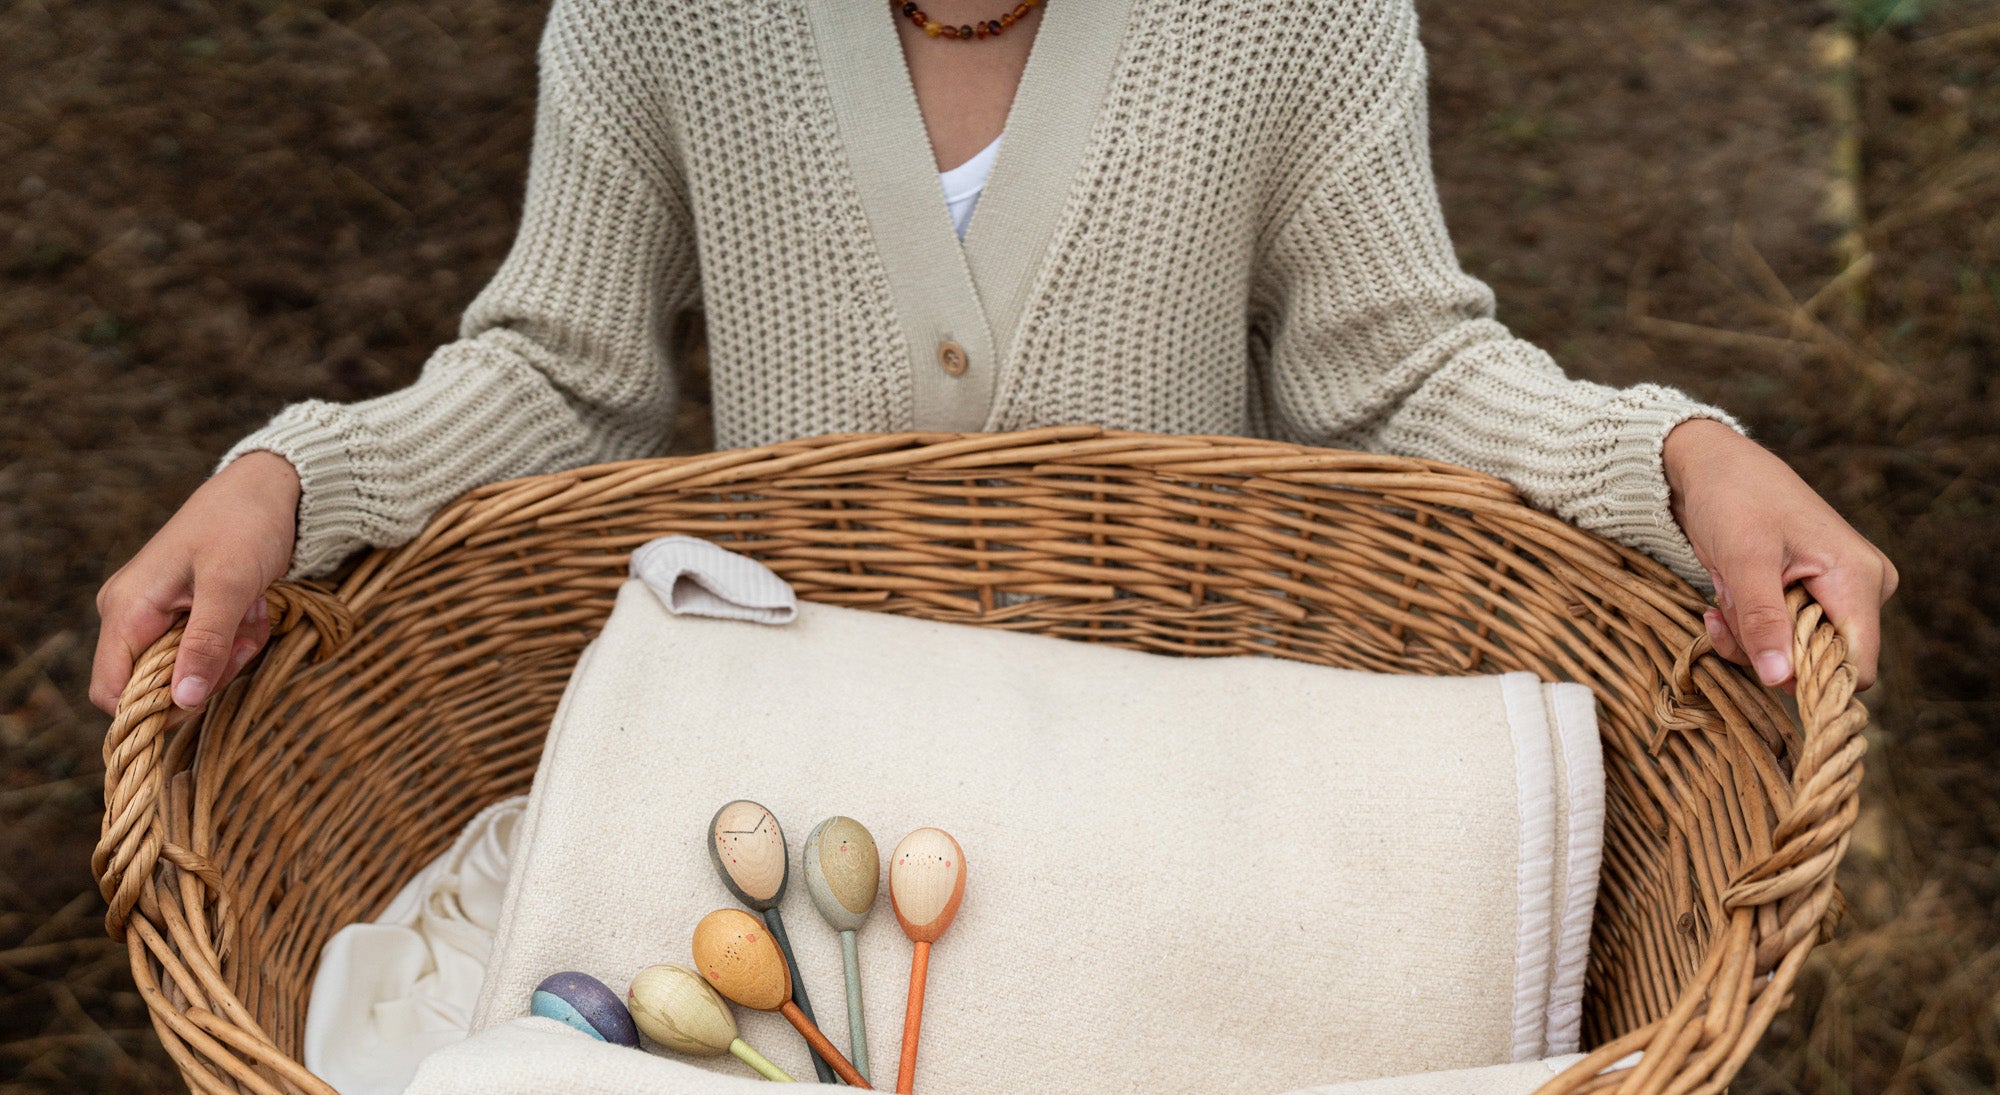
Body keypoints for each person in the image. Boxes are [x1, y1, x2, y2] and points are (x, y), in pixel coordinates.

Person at [89, 0, 1897, 717]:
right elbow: (569, 375)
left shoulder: (1298, 19)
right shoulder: (660, 19)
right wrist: (297, 475)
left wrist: (1675, 454)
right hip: (796, 751)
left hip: (1186, 747)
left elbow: (1399, 370)